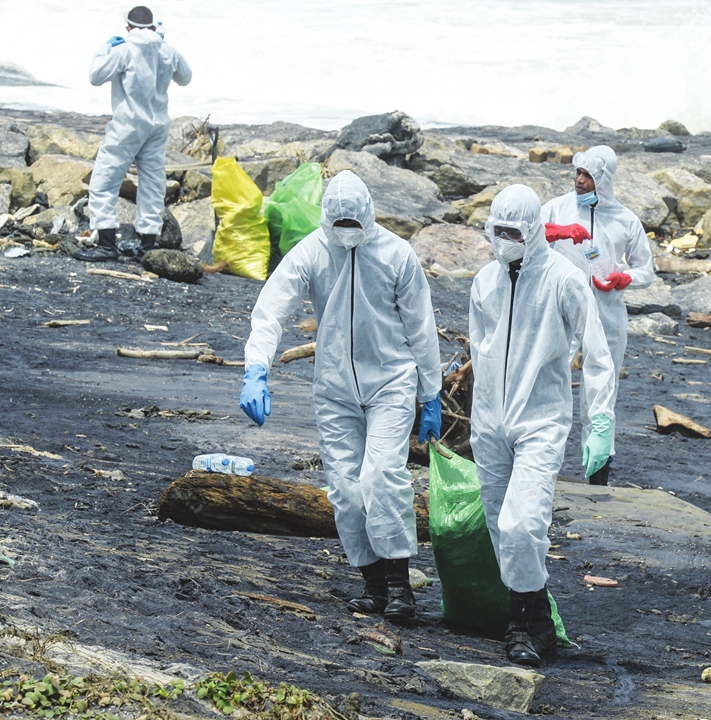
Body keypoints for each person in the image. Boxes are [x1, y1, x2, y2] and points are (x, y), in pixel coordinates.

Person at [239, 171, 442, 627]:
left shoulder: (396, 254)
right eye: (339, 222)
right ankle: (372, 584)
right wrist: (257, 369)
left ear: (369, 213)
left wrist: (430, 394)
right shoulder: (311, 251)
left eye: (355, 220)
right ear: (327, 218)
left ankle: (399, 585)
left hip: (391, 380)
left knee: (381, 476)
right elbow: (270, 310)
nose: (347, 230)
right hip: (334, 388)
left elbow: (421, 327)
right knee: (346, 490)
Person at [470, 184, 616, 667]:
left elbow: (596, 354)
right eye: (499, 231)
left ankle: (521, 626)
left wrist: (600, 421)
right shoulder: (485, 282)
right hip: (490, 419)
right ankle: (534, 619)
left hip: (541, 419)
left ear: (534, 231)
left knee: (522, 522)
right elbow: (481, 350)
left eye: (515, 231)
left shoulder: (564, 280)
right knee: (498, 524)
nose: (505, 239)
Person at [540, 145, 655, 485]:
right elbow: (523, 237)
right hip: (560, 311)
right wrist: (558, 232)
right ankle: (543, 464)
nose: (579, 180)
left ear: (603, 180)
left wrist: (624, 278)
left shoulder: (625, 219)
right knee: (548, 380)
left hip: (606, 314)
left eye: (588, 175)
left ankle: (597, 472)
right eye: (577, 172)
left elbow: (646, 268)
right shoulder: (557, 208)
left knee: (601, 389)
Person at [75, 6, 191, 263]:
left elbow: (95, 76)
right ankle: (148, 245)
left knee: (104, 182)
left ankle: (107, 244)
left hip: (128, 126)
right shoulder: (166, 50)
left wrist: (105, 48)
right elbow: (186, 78)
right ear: (153, 27)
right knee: (152, 183)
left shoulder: (123, 50)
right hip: (157, 126)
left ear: (127, 27)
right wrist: (166, 49)